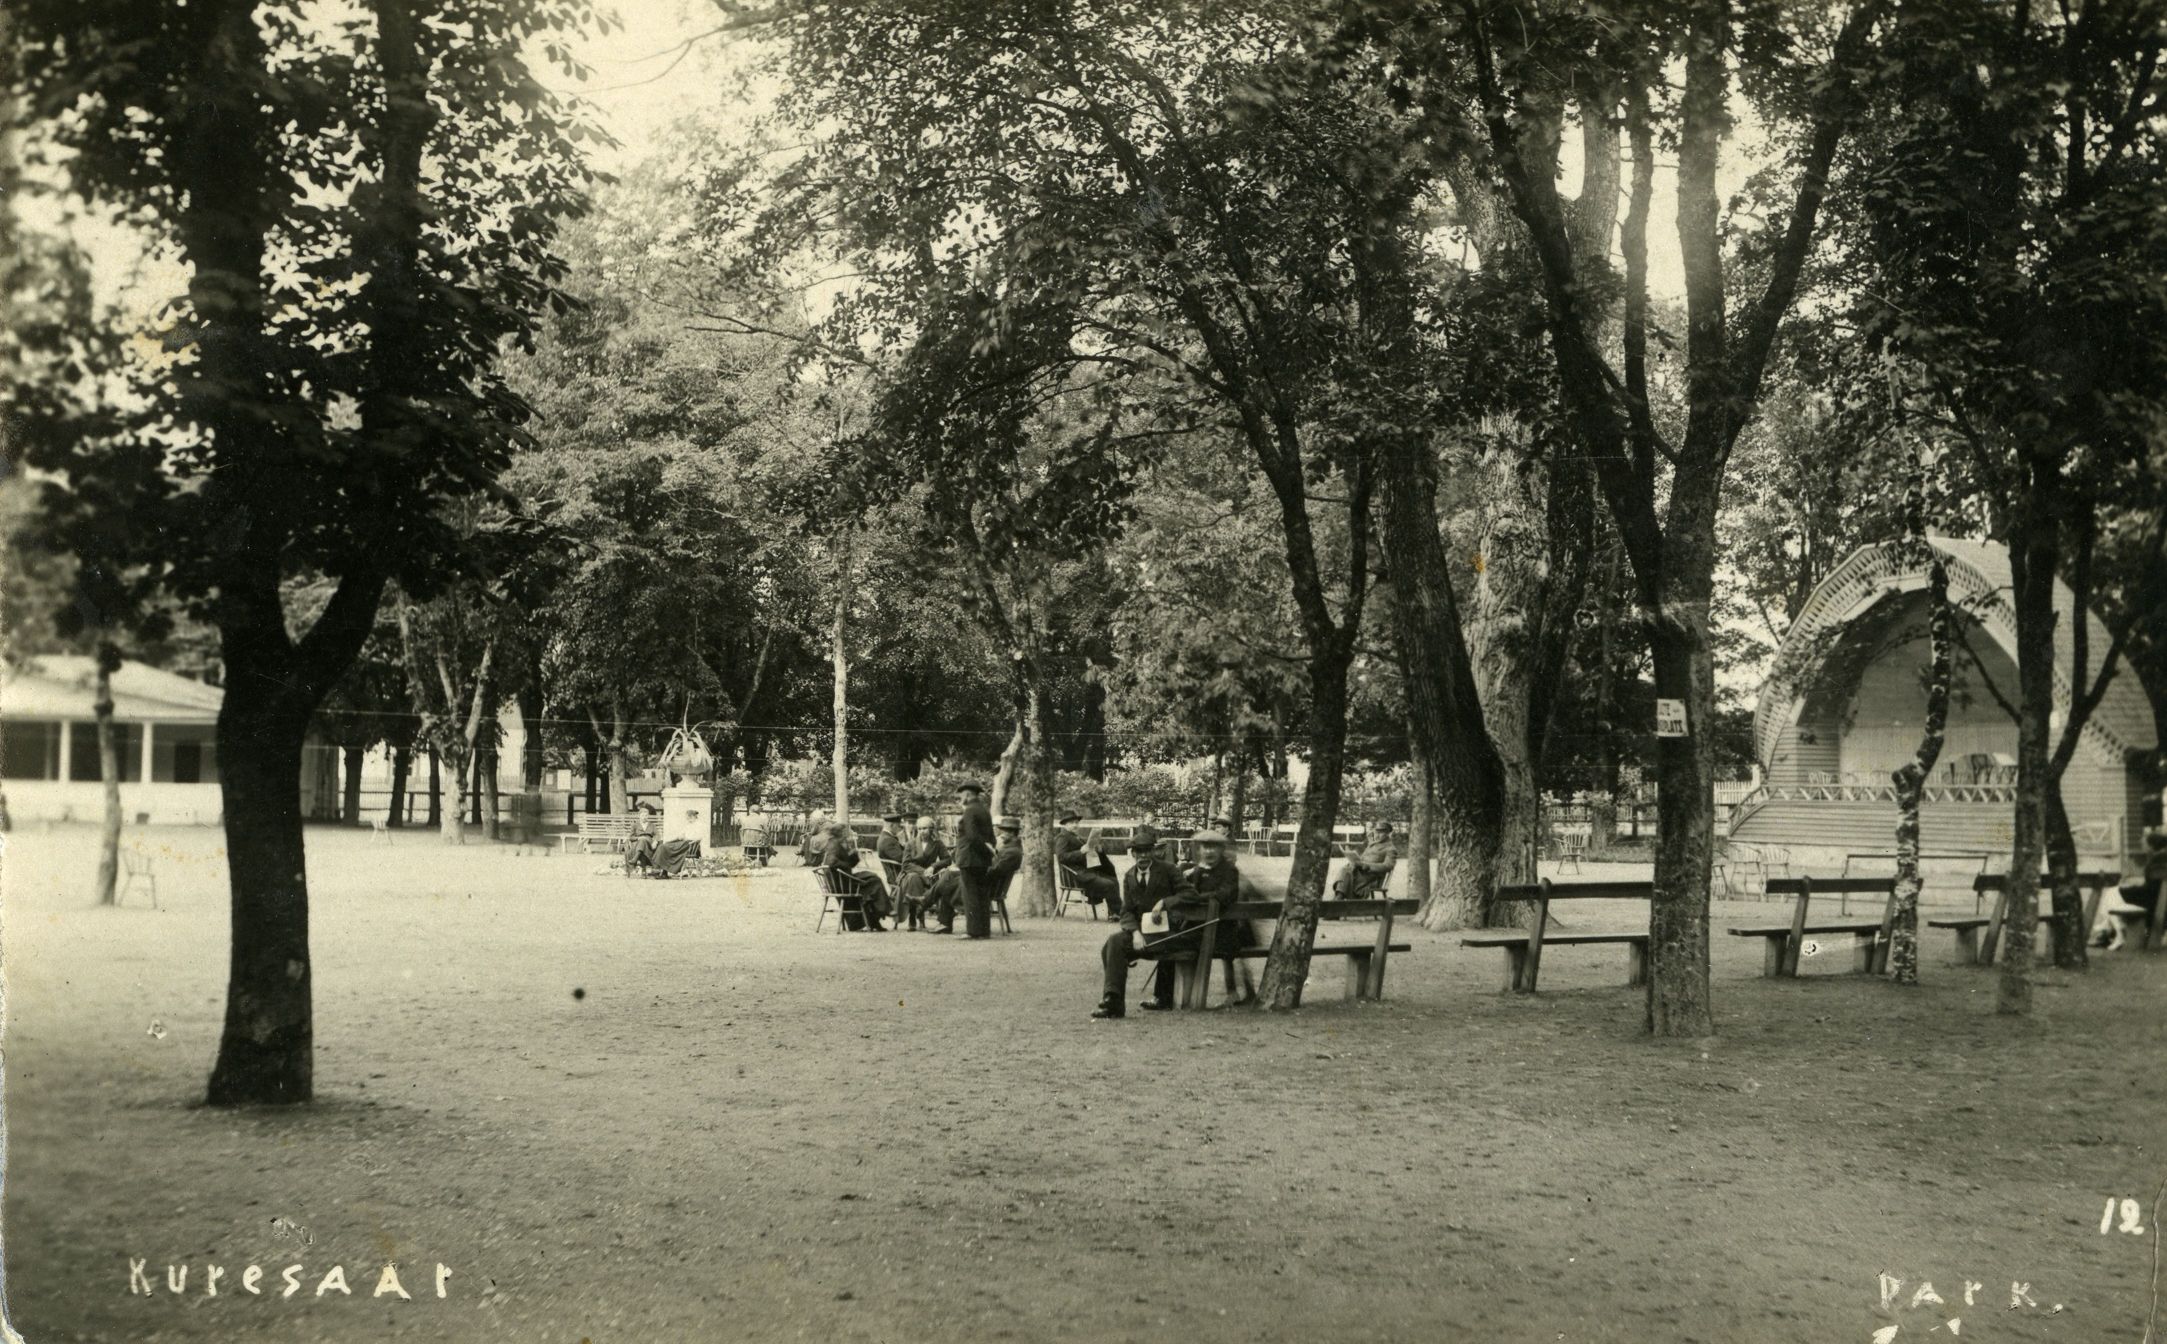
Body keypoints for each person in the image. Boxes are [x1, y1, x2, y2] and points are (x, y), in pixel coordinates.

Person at [1092, 826, 1201, 1019]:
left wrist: (1164, 902)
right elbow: (1126, 911)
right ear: (1132, 853)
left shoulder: (1168, 870)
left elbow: (1191, 894)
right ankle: (1113, 999)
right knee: (1113, 943)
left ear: (1153, 851)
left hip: (1169, 933)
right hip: (1144, 933)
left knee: (1113, 944)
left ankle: (1113, 1002)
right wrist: (1135, 933)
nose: (1143, 856)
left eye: (1147, 851)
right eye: (1139, 852)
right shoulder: (1129, 876)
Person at [1180, 828, 1257, 1005]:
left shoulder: (1229, 871)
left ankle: (1234, 993)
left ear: (1221, 850)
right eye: (1205, 848)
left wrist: (1199, 898)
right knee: (1180, 945)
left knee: (1229, 953)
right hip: (1201, 928)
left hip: (1226, 927)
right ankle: (1188, 997)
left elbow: (1225, 895)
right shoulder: (1197, 871)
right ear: (1199, 850)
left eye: (1213, 848)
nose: (1209, 852)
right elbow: (1189, 893)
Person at [2098, 828, 2166, 950]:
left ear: (2152, 846)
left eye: (2144, 844)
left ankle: (2113, 932)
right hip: (2159, 900)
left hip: (2155, 903)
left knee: (2113, 893)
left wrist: (2131, 888)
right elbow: (2155, 884)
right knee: (2114, 893)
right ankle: (2111, 930)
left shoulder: (2160, 860)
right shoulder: (2160, 858)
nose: (2143, 847)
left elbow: (2154, 888)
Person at [818, 820, 891, 931]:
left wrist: (853, 855)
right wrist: (847, 864)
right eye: (845, 832)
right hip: (842, 884)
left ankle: (874, 920)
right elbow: (831, 863)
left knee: (872, 878)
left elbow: (845, 864)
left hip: (842, 881)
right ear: (840, 833)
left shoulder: (834, 843)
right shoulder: (834, 845)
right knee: (874, 882)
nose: (847, 835)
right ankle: (883, 911)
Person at [954, 781, 996, 939]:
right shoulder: (984, 811)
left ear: (967, 794)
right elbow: (991, 836)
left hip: (969, 858)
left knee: (970, 895)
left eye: (961, 795)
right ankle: (984, 930)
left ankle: (972, 930)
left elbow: (971, 836)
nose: (961, 799)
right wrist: (989, 850)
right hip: (983, 860)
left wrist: (983, 848)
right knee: (982, 895)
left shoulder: (970, 811)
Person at [1055, 810, 1119, 915]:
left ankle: (1114, 914)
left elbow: (1088, 853)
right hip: (1075, 876)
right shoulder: (1063, 838)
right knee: (1109, 884)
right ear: (1065, 824)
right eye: (1072, 823)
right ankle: (1117, 913)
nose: (1075, 825)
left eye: (1076, 822)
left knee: (1113, 880)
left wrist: (1097, 849)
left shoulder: (1076, 837)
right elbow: (1061, 857)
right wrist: (1080, 852)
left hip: (1085, 872)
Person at [908, 812, 953, 932]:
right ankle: (915, 917)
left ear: (931, 829)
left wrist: (933, 866)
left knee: (915, 881)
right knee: (913, 879)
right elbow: (906, 864)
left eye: (925, 828)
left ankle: (917, 916)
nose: (922, 831)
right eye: (920, 828)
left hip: (931, 876)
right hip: (912, 873)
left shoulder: (937, 843)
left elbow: (948, 859)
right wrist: (923, 871)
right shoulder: (911, 843)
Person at [1332, 821, 1397, 900]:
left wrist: (1368, 866)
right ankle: (1339, 896)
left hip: (1371, 877)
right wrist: (1354, 860)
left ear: (1387, 833)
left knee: (1346, 872)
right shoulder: (1372, 845)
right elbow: (1362, 859)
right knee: (1346, 869)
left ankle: (1339, 897)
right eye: (1376, 832)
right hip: (1361, 872)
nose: (1377, 835)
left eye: (1381, 832)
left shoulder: (1390, 849)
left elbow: (1388, 866)